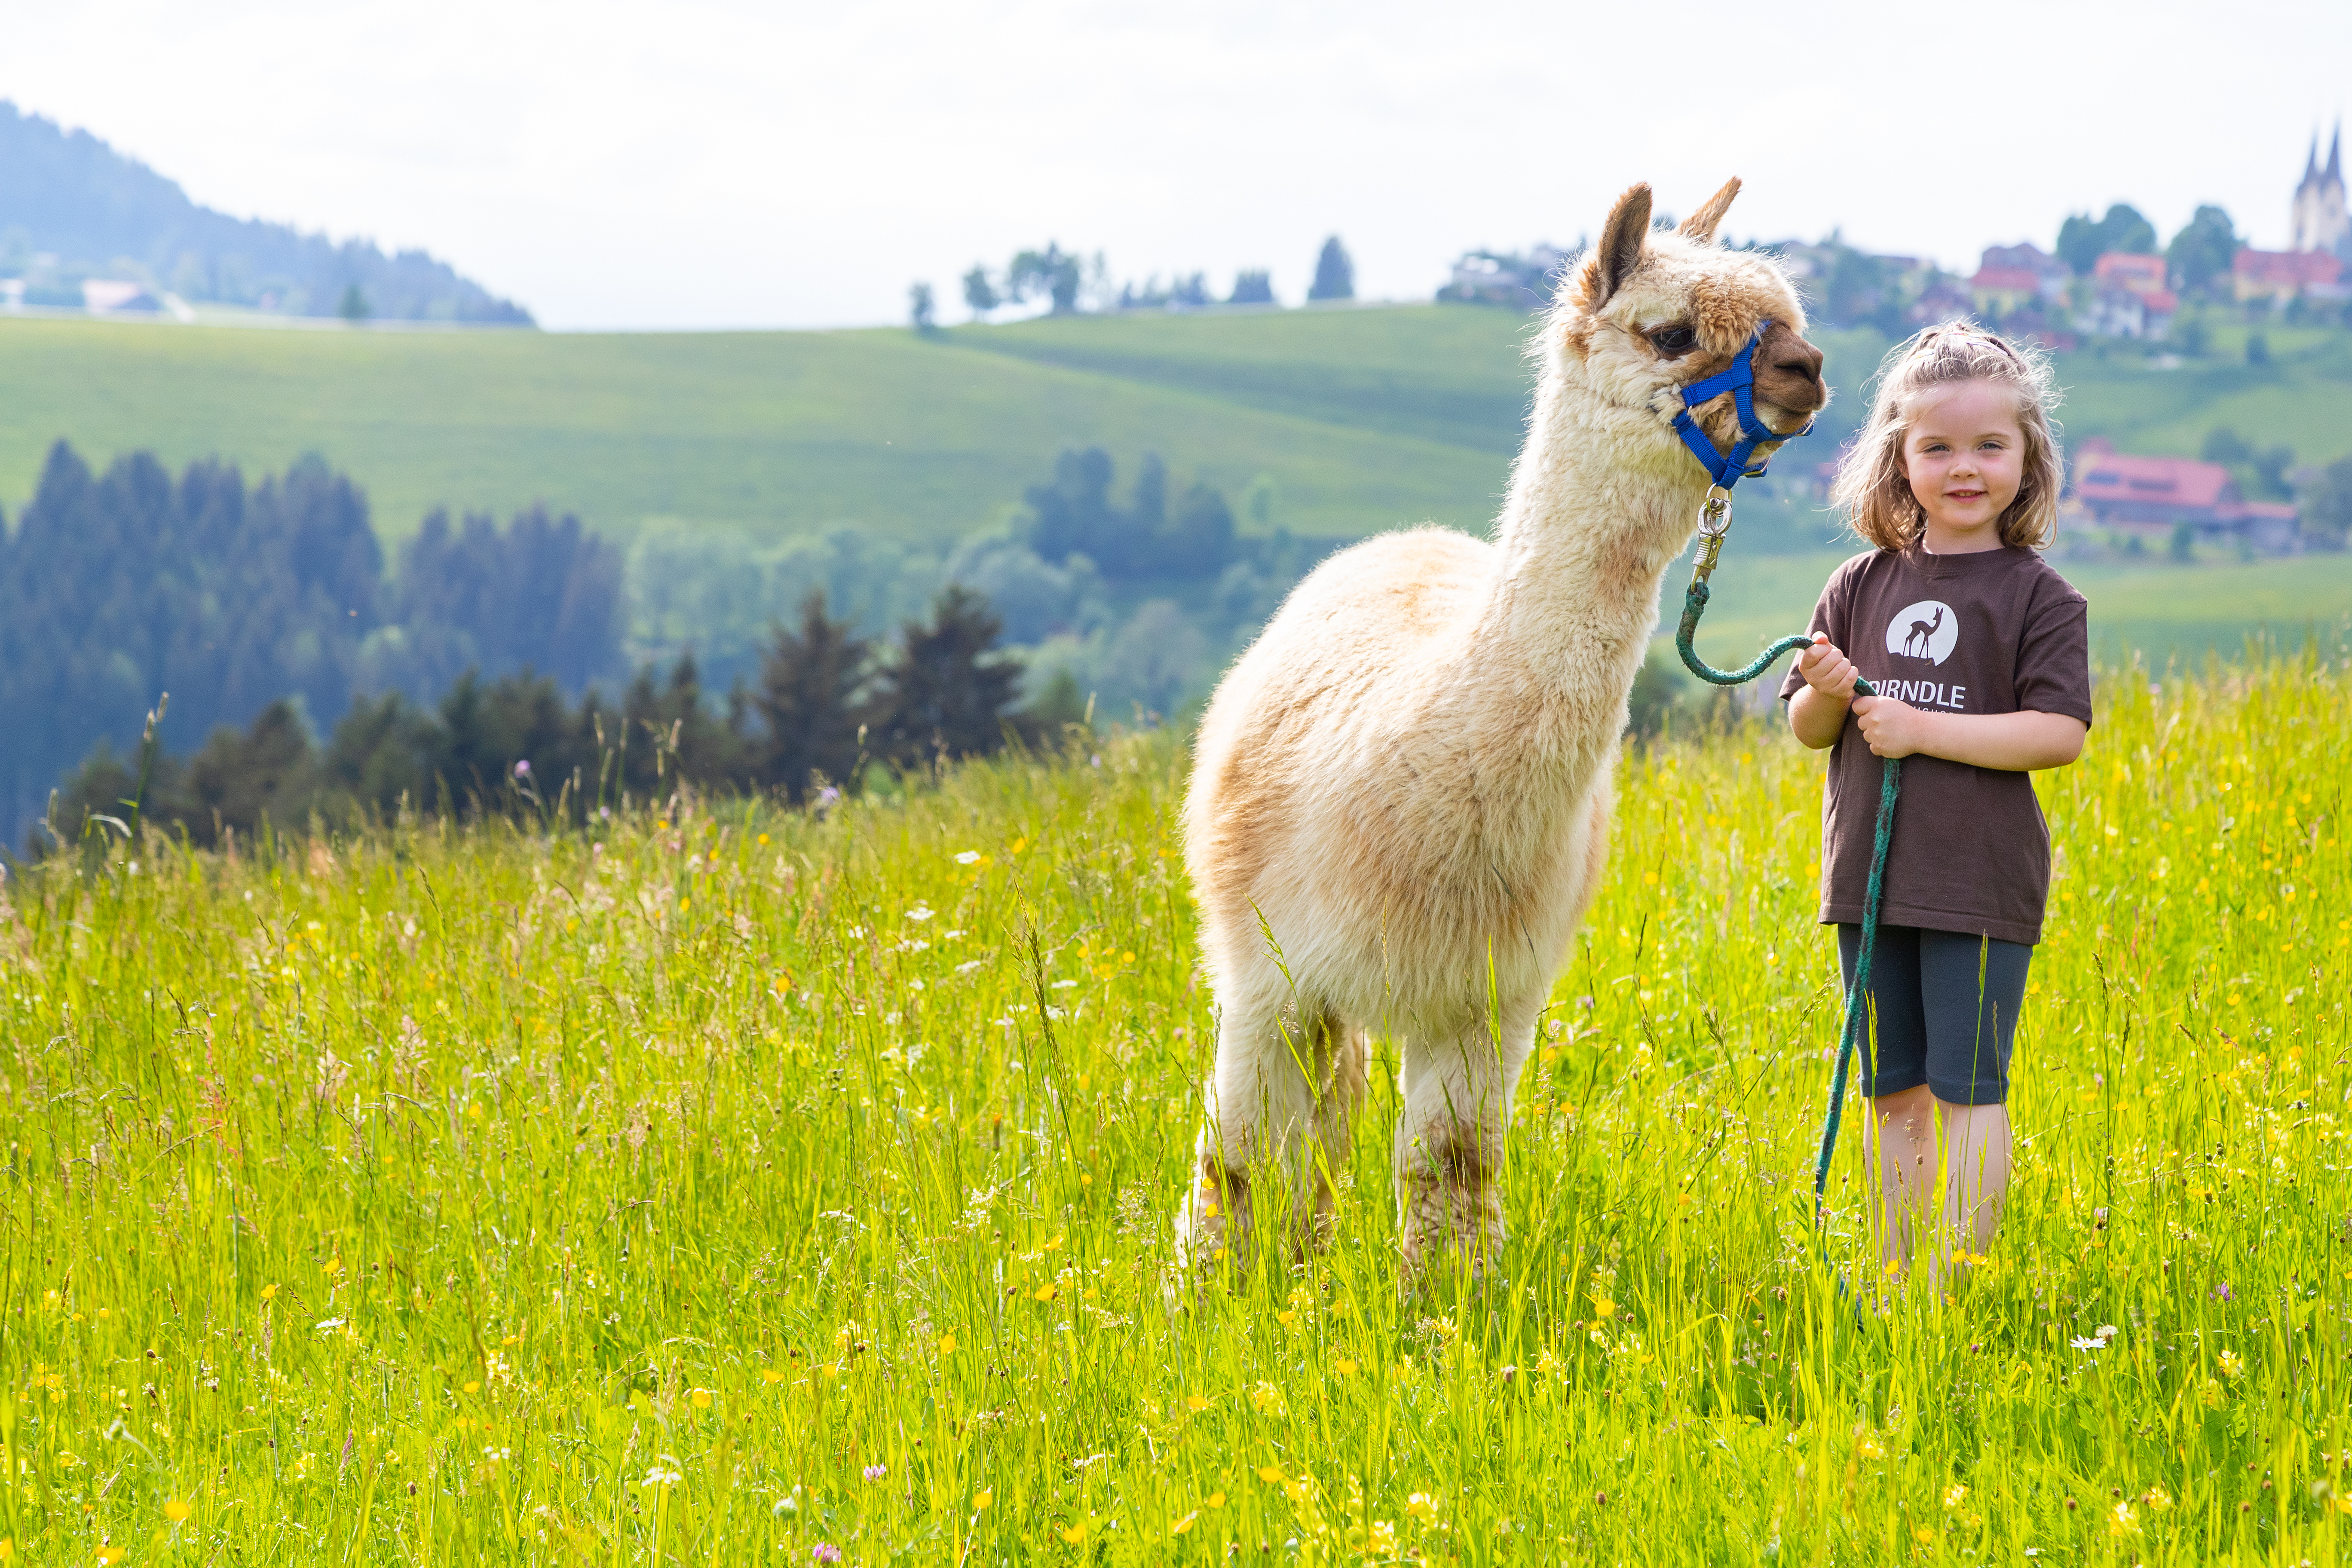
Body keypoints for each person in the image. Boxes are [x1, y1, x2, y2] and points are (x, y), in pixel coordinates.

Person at [1779, 322, 2092, 1284]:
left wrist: (1920, 728)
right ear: (1897, 460)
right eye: (1938, 448)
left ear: (2028, 458)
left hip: (1979, 886)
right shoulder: (1858, 584)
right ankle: (1897, 1274)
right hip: (1869, 888)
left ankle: (1959, 1281)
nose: (1966, 468)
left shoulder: (2040, 598)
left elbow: (2057, 734)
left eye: (1990, 446)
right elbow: (1808, 729)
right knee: (1892, 1092)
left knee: (1968, 1091)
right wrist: (1830, 685)